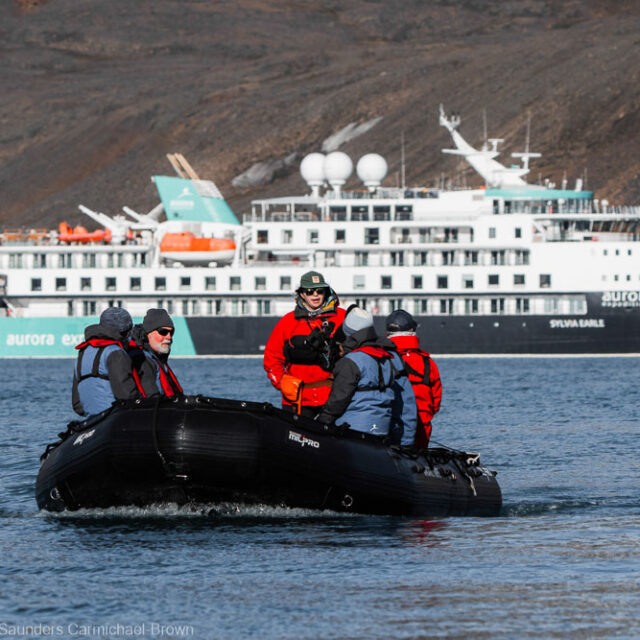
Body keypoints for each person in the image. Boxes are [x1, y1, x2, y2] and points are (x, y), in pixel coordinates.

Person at [317, 307, 417, 446]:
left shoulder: (350, 362)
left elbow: (337, 402)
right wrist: (406, 443)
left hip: (352, 431)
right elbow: (405, 403)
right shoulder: (388, 357)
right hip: (381, 430)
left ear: (348, 332)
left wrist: (319, 426)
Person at [263, 271, 345, 417]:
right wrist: (281, 383)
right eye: (310, 291)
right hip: (296, 400)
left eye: (320, 290)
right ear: (302, 294)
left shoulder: (342, 318)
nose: (315, 295)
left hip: (333, 398)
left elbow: (359, 351)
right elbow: (272, 358)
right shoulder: (287, 322)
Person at [72, 307, 144, 417]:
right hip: (116, 418)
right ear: (125, 332)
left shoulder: (82, 354)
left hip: (93, 421)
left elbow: (78, 405)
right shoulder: (115, 353)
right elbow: (126, 396)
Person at [385, 309, 442, 448]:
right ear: (412, 330)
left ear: (388, 333)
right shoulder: (427, 362)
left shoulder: (384, 359)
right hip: (422, 429)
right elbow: (436, 401)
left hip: (391, 427)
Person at [131, 308, 183, 398]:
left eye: (171, 332)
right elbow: (152, 399)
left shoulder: (158, 359)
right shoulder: (142, 360)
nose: (169, 337)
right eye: (163, 332)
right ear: (148, 334)